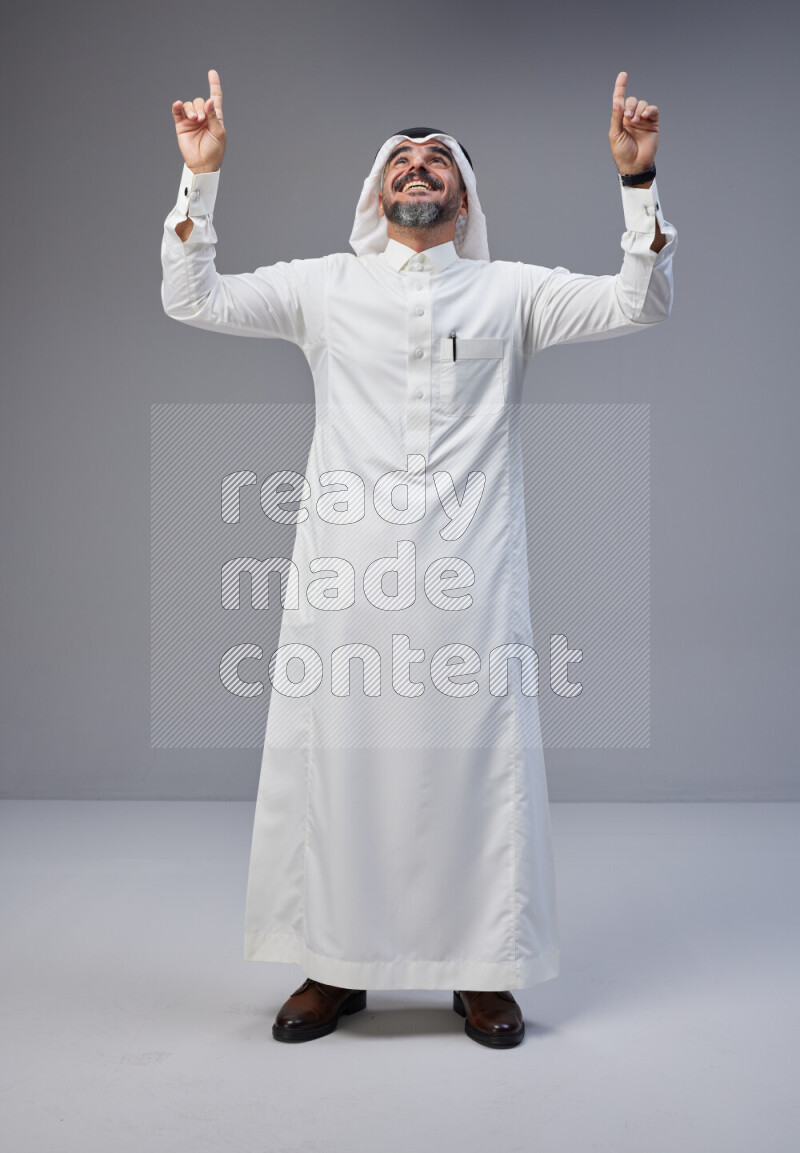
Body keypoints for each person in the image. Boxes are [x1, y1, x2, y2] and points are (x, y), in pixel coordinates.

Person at [161, 69, 677, 1049]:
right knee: (341, 767)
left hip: (470, 580)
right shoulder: (324, 286)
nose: (417, 168)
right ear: (374, 192)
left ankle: (481, 972)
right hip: (344, 577)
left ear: (465, 197)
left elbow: (635, 302)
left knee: (472, 767)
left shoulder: (508, 292)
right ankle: (332, 965)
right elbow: (193, 297)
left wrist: (636, 184)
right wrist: (200, 181)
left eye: (436, 158)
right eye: (400, 159)